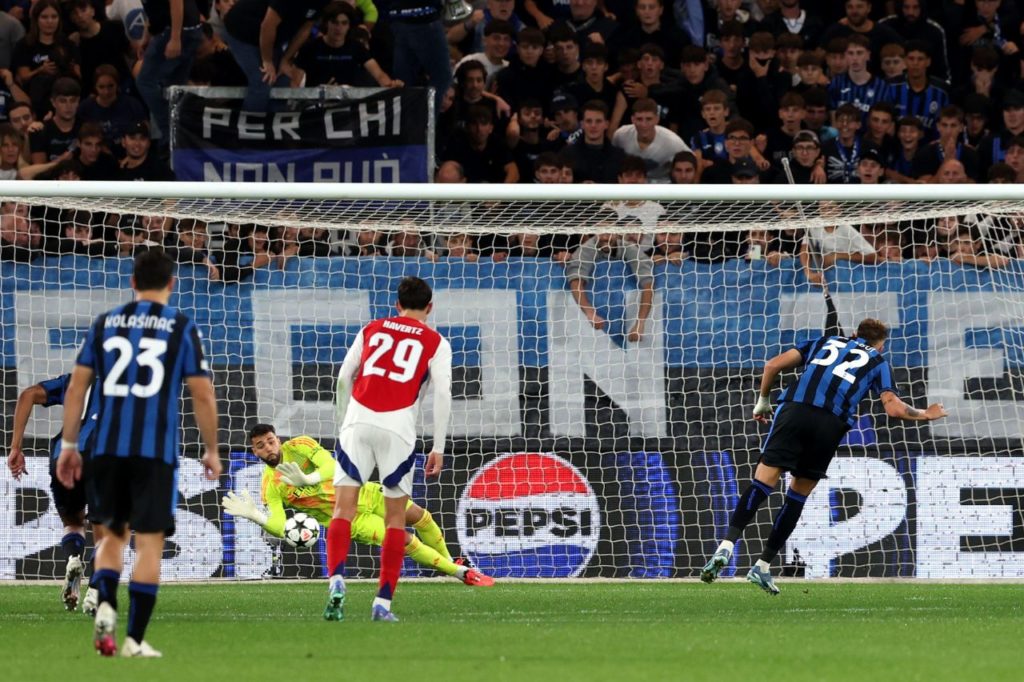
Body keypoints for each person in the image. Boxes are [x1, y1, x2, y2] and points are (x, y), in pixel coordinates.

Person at [701, 318, 948, 594]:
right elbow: (893, 409)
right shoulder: (878, 362)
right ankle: (762, 565)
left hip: (794, 410)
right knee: (797, 496)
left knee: (762, 484)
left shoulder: (824, 342)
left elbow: (772, 365)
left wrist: (763, 400)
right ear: (881, 345)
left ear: (854, 334)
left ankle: (726, 546)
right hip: (829, 424)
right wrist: (926, 413)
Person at [56, 249, 221, 657]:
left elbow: (76, 389)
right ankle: (133, 639)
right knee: (148, 544)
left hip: (106, 449)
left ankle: (106, 606)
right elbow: (202, 392)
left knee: (111, 536)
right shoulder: (180, 327)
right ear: (172, 283)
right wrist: (212, 449)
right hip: (154, 452)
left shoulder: (105, 323)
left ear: (132, 283)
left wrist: (71, 445)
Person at [324, 276, 452, 622]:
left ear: (397, 305)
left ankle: (336, 579)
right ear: (429, 307)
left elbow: (342, 376)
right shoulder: (436, 341)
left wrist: (343, 423)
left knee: (342, 510)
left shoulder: (372, 329)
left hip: (357, 421)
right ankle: (382, 603)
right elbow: (442, 394)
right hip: (398, 428)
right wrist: (437, 446)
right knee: (395, 519)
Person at [222, 424, 493, 586]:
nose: (268, 448)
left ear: (277, 439)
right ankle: (460, 573)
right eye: (260, 446)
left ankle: (447, 562)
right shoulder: (271, 485)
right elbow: (281, 525)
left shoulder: (301, 445)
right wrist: (257, 516)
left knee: (422, 517)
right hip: (352, 519)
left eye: (270, 441)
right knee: (406, 541)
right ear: (255, 452)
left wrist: (308, 478)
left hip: (366, 493)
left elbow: (331, 466)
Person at [6, 371, 103, 613]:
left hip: (63, 457)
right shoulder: (128, 384)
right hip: (102, 459)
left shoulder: (76, 379)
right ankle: (95, 589)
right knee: (108, 533)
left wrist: (16, 448)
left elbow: (27, 395)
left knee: (72, 523)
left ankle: (73, 558)